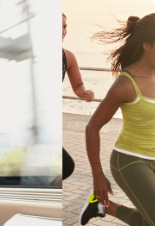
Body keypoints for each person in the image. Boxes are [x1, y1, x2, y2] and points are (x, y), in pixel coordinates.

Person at [79, 14, 155, 226]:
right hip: (129, 161)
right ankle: (100, 202)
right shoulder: (126, 84)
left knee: (151, 221)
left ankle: (101, 206)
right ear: (146, 45)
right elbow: (93, 127)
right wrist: (97, 175)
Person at [62, 12, 94, 182]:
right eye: (59, 26)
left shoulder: (68, 57)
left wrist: (85, 93)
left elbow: (77, 86)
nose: (63, 31)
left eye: (65, 27)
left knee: (66, 166)